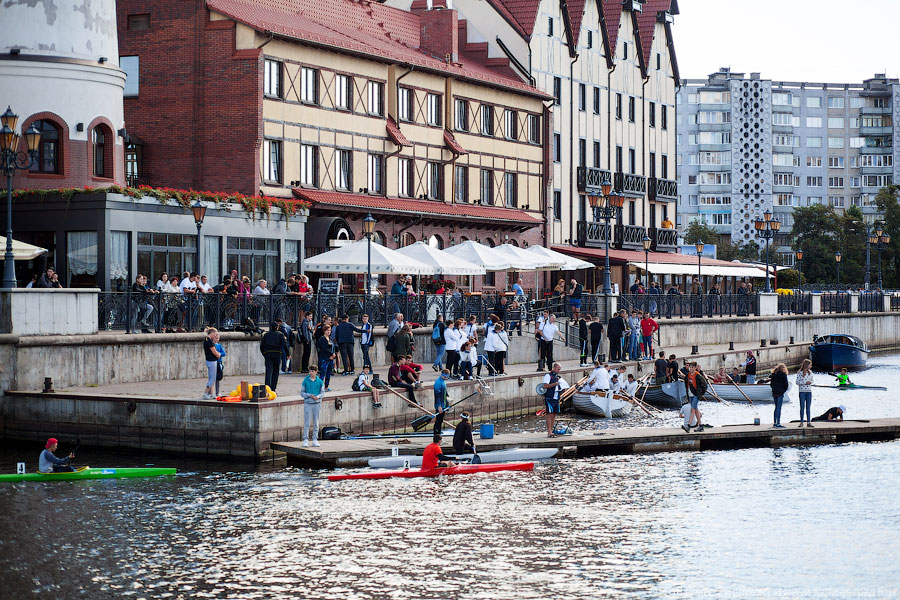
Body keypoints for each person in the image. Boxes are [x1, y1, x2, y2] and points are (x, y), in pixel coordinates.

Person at [300, 365, 325, 447]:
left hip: (317, 403)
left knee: (316, 422)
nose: (310, 373)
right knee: (307, 422)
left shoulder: (320, 381)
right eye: (310, 371)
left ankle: (315, 439)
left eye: (312, 371)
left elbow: (322, 393)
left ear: (316, 372)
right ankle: (305, 439)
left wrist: (317, 396)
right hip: (308, 403)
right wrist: (309, 395)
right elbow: (302, 393)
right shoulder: (305, 381)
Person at [260, 322, 289, 392]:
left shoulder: (266, 335)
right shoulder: (280, 334)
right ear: (277, 327)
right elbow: (284, 345)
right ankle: (273, 388)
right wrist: (288, 354)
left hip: (268, 353)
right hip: (277, 353)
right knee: (276, 371)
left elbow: (262, 346)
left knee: (269, 371)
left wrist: (264, 353)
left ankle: (267, 388)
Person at [542, 362, 567, 437]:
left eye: (560, 369)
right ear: (554, 368)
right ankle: (549, 431)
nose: (559, 371)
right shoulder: (548, 376)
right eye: (558, 369)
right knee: (549, 414)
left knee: (554, 414)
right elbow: (545, 386)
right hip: (550, 397)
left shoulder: (558, 377)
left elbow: (559, 386)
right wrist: (554, 384)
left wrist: (562, 390)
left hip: (556, 397)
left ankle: (552, 430)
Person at [685, 362, 708, 432]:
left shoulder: (698, 375)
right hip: (690, 394)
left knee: (693, 409)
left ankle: (688, 425)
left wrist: (700, 393)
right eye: (690, 367)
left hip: (696, 395)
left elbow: (705, 385)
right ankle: (700, 426)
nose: (690, 369)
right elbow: (686, 384)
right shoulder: (688, 375)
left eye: (692, 367)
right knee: (696, 409)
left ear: (695, 368)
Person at [316, 324, 336, 392]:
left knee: (328, 373)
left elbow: (333, 347)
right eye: (327, 330)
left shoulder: (330, 338)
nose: (329, 332)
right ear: (324, 331)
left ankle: (326, 386)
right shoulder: (322, 339)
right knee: (322, 373)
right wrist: (331, 354)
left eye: (330, 330)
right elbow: (323, 349)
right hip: (324, 358)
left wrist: (333, 355)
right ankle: (320, 387)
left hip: (330, 359)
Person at [203, 327, 222, 399]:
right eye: (215, 334)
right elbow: (213, 351)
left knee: (211, 378)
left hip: (209, 360)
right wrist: (218, 355)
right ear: (212, 333)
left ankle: (211, 393)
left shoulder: (207, 339)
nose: (216, 336)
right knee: (212, 379)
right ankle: (205, 393)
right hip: (212, 361)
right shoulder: (209, 341)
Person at [770, 362, 789, 428]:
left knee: (776, 407)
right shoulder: (784, 375)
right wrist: (783, 391)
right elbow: (786, 385)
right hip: (780, 393)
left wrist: (774, 389)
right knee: (779, 407)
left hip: (774, 392)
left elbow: (771, 384)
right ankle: (778, 423)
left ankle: (775, 422)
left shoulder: (773, 375)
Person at [796, 359, 814, 428]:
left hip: (809, 391)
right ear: (807, 365)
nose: (811, 366)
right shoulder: (799, 373)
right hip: (802, 391)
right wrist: (805, 383)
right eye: (810, 365)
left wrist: (810, 382)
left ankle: (808, 422)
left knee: (808, 407)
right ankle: (801, 422)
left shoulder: (810, 372)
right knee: (802, 407)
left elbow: (812, 381)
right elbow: (797, 382)